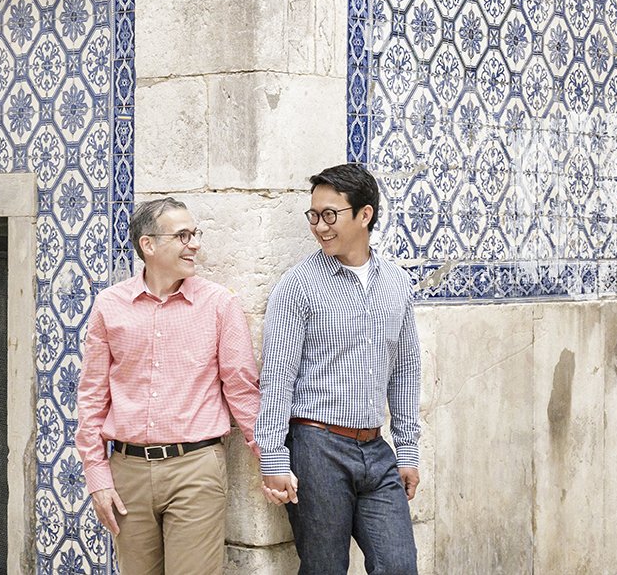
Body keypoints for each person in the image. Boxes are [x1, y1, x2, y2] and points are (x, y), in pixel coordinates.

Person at [75, 197, 261, 575]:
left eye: (195, 234)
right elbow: (92, 396)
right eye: (183, 235)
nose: (194, 244)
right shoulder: (109, 305)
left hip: (195, 469)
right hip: (126, 472)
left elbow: (242, 391)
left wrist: (271, 459)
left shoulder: (219, 304)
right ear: (149, 245)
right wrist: (97, 477)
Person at [256, 163, 421, 575]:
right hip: (317, 448)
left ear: (364, 214)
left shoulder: (397, 283)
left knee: (399, 566)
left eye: (330, 215)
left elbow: (404, 370)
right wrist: (274, 458)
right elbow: (278, 376)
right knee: (325, 569)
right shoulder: (298, 285)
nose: (320, 226)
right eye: (314, 216)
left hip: (376, 449)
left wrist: (408, 450)